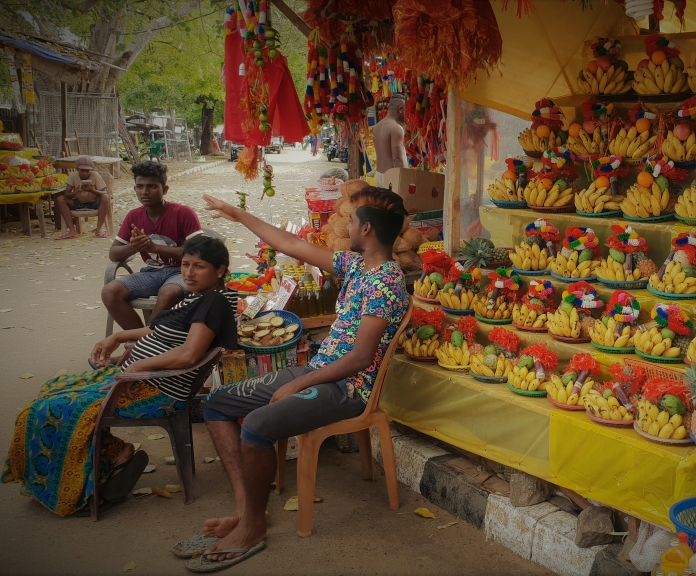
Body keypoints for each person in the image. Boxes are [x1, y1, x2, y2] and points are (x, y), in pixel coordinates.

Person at [177, 188, 409, 572]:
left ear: (366, 228)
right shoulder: (356, 266)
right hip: (320, 371)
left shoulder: (386, 281)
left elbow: (361, 358)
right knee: (217, 403)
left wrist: (299, 383)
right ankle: (245, 508)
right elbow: (289, 243)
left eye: (351, 220)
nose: (346, 225)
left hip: (349, 388)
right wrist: (237, 213)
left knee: (256, 425)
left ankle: (253, 525)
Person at [3, 235, 238, 516]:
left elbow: (189, 354)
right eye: (186, 264)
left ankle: (83, 488)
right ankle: (115, 456)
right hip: (140, 380)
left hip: (154, 389)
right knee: (53, 388)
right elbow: (161, 331)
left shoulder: (213, 302)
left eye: (198, 266)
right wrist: (119, 336)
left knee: (46, 409)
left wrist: (138, 367)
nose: (188, 272)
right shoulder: (199, 296)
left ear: (220, 269)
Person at [102, 161, 203, 331]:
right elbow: (114, 254)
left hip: (183, 272)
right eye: (139, 186)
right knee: (109, 292)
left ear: (165, 189)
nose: (145, 192)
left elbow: (198, 252)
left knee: (168, 293)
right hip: (152, 273)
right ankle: (140, 341)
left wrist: (154, 248)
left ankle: (145, 342)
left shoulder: (183, 213)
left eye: (152, 186)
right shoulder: (134, 216)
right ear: (134, 189)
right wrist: (135, 247)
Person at [55, 156, 111, 240]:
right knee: (60, 199)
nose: (84, 173)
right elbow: (67, 194)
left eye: (87, 171)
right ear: (77, 169)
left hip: (94, 203)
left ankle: (98, 230)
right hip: (78, 203)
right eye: (82, 170)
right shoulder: (72, 175)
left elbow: (104, 192)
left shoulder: (95, 175)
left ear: (91, 170)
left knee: (105, 197)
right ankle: (72, 231)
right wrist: (76, 192)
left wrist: (92, 190)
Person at [372, 95, 407, 183]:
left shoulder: (377, 126)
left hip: (379, 175)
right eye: (406, 111)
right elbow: (397, 159)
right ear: (400, 109)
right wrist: (402, 181)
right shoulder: (396, 128)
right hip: (391, 179)